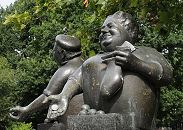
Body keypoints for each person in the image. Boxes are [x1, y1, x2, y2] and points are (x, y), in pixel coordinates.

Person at [45, 11, 173, 130]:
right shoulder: (93, 61)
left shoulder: (145, 52)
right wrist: (64, 95)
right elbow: (75, 79)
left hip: (136, 124)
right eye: (102, 29)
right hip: (96, 121)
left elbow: (166, 75)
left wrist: (136, 64)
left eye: (110, 26)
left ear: (130, 31)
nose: (103, 30)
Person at [9, 34, 84, 122]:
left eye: (54, 50)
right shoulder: (84, 63)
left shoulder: (67, 69)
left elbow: (46, 97)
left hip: (71, 119)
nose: (53, 53)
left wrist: (26, 110)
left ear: (62, 53)